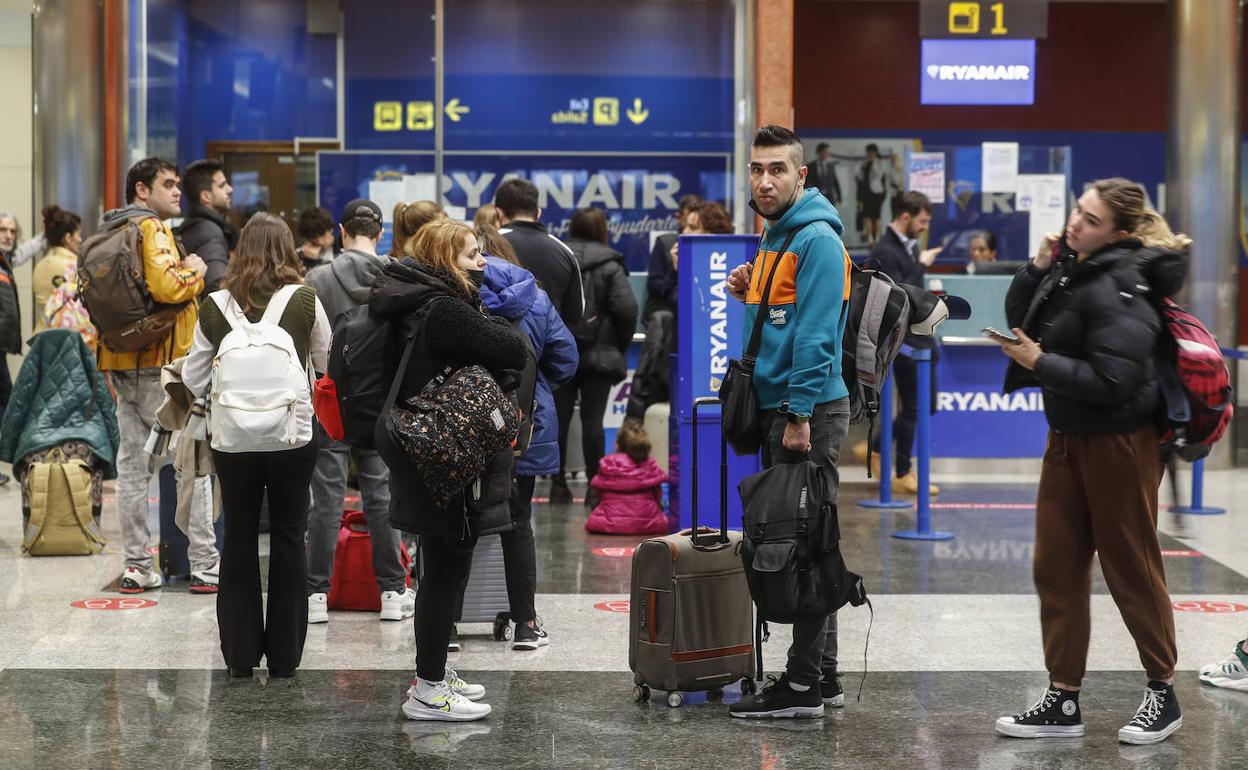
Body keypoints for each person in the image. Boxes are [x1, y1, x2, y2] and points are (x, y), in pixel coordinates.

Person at [993, 178, 1189, 746]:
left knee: (1130, 568)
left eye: (1092, 219)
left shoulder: (1122, 283)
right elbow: (1025, 317)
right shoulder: (1074, 267)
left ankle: (1163, 688)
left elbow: (1113, 380)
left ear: (1119, 233)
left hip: (1120, 443)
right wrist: (1036, 268)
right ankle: (1062, 696)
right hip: (1069, 436)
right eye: (1078, 211)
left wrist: (1040, 362)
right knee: (1055, 565)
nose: (1077, 223)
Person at [369, 219, 527, 722]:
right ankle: (429, 690)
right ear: (444, 263)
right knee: (444, 571)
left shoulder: (423, 302)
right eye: (471, 256)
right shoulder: (442, 311)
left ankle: (431, 672)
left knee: (442, 567)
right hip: (444, 458)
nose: (483, 263)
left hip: (430, 452)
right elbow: (512, 349)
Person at [724, 125, 851, 719]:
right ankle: (822, 676)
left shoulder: (817, 239)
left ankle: (800, 685)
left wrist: (798, 413)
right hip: (784, 408)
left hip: (808, 411)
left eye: (777, 169)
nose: (764, 180)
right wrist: (750, 287)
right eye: (756, 169)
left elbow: (818, 336)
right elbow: (782, 318)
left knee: (800, 546)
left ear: (802, 175)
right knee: (806, 537)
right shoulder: (778, 236)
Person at [182, 211, 330, 678]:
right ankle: (286, 658)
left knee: (240, 536)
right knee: (289, 536)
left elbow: (194, 375)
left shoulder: (215, 304)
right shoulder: (304, 300)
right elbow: (325, 364)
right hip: (292, 437)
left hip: (233, 440)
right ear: (287, 250)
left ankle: (240, 657)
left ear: (242, 250)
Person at [98, 158, 217, 594]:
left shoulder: (107, 230)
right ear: (141, 191)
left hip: (119, 364)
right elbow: (168, 287)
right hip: (161, 366)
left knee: (132, 469)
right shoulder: (151, 229)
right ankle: (205, 564)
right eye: (167, 184)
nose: (176, 192)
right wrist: (198, 271)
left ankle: (136, 565)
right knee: (192, 462)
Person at [304, 198, 416, 624]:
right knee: (382, 494)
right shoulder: (397, 276)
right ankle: (391, 591)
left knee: (327, 497)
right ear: (381, 231)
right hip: (381, 402)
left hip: (331, 400)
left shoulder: (316, 278)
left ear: (340, 230)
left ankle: (316, 595)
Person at [474, 245, 578, 650]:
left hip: (465, 425)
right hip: (524, 425)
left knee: (455, 522)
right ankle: (525, 623)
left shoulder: (456, 295)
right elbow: (566, 359)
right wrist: (532, 386)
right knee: (518, 524)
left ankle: (445, 626)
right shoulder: (535, 297)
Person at [854, 191, 942, 496]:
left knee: (924, 406)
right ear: (905, 216)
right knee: (916, 406)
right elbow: (900, 297)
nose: (923, 226)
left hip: (921, 341)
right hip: (904, 344)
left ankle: (877, 446)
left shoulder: (906, 245)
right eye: (922, 220)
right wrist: (922, 264)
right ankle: (903, 471)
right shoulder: (886, 251)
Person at [553, 208, 638, 505]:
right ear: (602, 230)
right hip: (598, 356)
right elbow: (627, 310)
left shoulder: (558, 257)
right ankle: (593, 486)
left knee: (558, 420)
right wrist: (618, 343)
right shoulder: (611, 264)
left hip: (560, 351)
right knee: (593, 423)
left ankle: (557, 485)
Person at [495, 177, 584, 327]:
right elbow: (575, 312)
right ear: (538, 213)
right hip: (548, 344)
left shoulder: (484, 246)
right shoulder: (564, 250)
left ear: (499, 213)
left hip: (496, 344)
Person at [584, 421, 668, 535]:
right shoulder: (650, 466)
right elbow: (657, 496)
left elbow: (598, 493)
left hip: (607, 524)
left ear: (617, 445)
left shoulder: (608, 465)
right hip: (648, 525)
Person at [176, 159, 237, 294]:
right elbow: (217, 290)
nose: (230, 189)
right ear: (206, 197)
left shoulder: (192, 225)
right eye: (222, 186)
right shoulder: (210, 233)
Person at [643, 193, 702, 322]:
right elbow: (654, 284)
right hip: (667, 309)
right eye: (686, 223)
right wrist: (675, 272)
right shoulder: (665, 244)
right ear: (678, 218)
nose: (687, 231)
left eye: (693, 226)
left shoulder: (714, 253)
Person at [32, 205, 82, 332]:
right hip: (72, 335)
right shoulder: (75, 266)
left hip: (43, 334)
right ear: (68, 238)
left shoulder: (39, 266)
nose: (80, 239)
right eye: (78, 234)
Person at [856, 144, 891, 246]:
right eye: (868, 152)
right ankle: (870, 239)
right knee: (866, 215)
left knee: (876, 216)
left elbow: (878, 175)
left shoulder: (879, 162)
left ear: (874, 152)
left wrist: (873, 162)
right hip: (865, 192)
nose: (869, 154)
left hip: (877, 192)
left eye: (871, 152)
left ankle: (877, 238)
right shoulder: (864, 163)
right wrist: (864, 166)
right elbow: (859, 177)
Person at [297, 206, 336, 272]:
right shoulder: (298, 255)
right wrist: (308, 262)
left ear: (331, 230)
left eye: (322, 235)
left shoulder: (342, 253)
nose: (319, 242)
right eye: (314, 238)